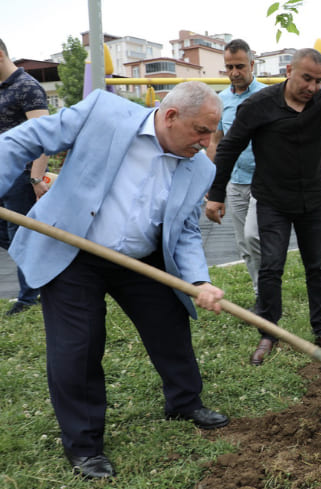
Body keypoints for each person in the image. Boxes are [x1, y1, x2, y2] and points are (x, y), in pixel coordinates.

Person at [0, 81, 228, 479]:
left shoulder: (200, 166)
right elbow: (29, 137)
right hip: (74, 251)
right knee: (79, 346)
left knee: (170, 327)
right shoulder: (103, 113)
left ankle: (184, 402)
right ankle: (85, 447)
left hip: (143, 257)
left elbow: (187, 230)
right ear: (170, 116)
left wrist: (199, 280)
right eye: (201, 131)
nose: (207, 142)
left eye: (212, 132)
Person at [208, 48, 321, 365]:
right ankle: (268, 332)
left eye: (319, 81)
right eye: (307, 78)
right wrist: (216, 193)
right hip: (273, 202)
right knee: (271, 268)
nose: (312, 87)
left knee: (316, 268)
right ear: (289, 71)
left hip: (312, 202)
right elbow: (229, 148)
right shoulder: (258, 105)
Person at [205, 39, 267, 299]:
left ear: (252, 64)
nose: (234, 72)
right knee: (243, 244)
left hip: (264, 180)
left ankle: (267, 291)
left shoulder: (266, 96)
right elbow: (215, 142)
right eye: (229, 67)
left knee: (254, 237)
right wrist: (213, 186)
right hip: (235, 180)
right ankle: (260, 294)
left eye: (240, 66)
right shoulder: (221, 100)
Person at [0, 38, 50, 316]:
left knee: (18, 233)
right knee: (17, 237)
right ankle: (41, 268)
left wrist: (36, 178)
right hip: (2, 173)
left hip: (21, 174)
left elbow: (44, 135)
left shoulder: (27, 87)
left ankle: (28, 298)